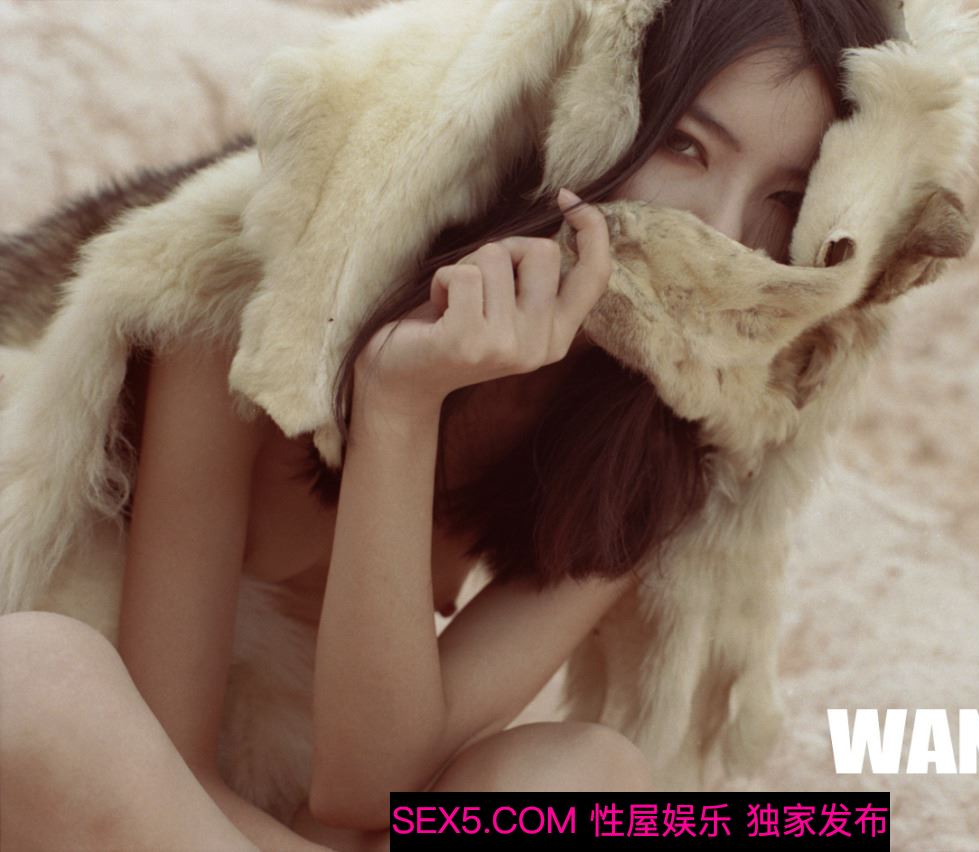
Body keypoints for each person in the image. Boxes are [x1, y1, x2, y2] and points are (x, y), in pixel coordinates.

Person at [0, 1, 892, 850]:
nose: (726, 236)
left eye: (783, 197)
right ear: (585, 109)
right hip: (112, 781)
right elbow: (168, 757)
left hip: (293, 808)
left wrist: (399, 412)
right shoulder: (260, 284)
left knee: (586, 776)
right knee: (33, 681)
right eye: (688, 145)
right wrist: (395, 387)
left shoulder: (661, 430)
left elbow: (366, 789)